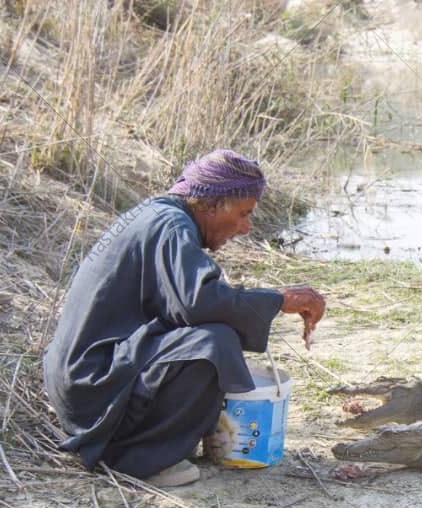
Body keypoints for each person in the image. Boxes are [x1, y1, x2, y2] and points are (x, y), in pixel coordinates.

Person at [43, 149, 325, 487]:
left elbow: (184, 305)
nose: (246, 227)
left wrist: (270, 300)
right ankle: (136, 458)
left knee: (209, 332)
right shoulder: (171, 225)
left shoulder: (157, 215)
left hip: (84, 382)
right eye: (243, 214)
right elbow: (199, 302)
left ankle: (157, 440)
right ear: (212, 204)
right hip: (92, 386)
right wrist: (279, 300)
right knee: (215, 341)